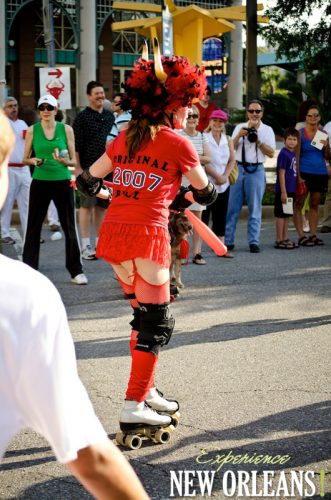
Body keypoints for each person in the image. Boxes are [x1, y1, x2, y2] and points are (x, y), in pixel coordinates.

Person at [0, 108, 148, 500]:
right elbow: (90, 455)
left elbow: (83, 171)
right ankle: (138, 398)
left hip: (84, 196)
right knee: (150, 315)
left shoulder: (75, 130)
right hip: (137, 238)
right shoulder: (21, 295)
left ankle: (142, 395)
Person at [76, 42, 216, 433]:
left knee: (142, 319)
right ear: (171, 106)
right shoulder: (177, 142)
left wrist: (114, 193)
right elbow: (206, 193)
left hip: (115, 237)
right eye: (187, 104)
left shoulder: (125, 139)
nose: (190, 111)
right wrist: (182, 196)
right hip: (148, 239)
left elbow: (87, 182)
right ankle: (134, 403)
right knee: (156, 323)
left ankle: (147, 390)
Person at [22, 95, 87, 285]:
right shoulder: (32, 130)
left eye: (49, 107)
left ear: (55, 110)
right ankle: (29, 269)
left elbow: (74, 161)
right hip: (40, 181)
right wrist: (33, 161)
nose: (45, 110)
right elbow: (26, 158)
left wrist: (64, 161)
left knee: (69, 227)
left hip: (62, 181)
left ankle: (76, 271)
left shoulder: (66, 129)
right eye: (41, 107)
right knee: (33, 228)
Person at [225, 99, 276, 253]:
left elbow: (272, 153)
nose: (254, 114)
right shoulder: (240, 127)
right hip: (239, 168)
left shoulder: (267, 130)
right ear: (247, 112)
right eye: (251, 111)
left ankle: (254, 241)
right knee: (232, 207)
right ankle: (228, 241)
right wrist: (238, 136)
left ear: (262, 113)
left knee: (255, 208)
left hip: (257, 170)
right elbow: (229, 149)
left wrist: (258, 141)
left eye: (257, 111)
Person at [73, 81, 114, 260]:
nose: (100, 96)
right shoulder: (82, 118)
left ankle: (100, 244)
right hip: (88, 170)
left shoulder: (110, 116)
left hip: (108, 170)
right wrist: (77, 167)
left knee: (101, 208)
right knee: (86, 207)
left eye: (101, 93)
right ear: (89, 96)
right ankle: (85, 245)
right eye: (96, 93)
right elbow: (75, 144)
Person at [177, 104, 211, 264]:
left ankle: (197, 253)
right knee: (181, 218)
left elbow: (208, 158)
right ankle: (182, 252)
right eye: (189, 116)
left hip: (198, 182)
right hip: (181, 182)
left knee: (198, 218)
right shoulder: (178, 134)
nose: (191, 119)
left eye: (194, 116)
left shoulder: (203, 136)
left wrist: (189, 157)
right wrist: (197, 157)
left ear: (198, 120)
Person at [293, 105, 330, 246]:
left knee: (314, 204)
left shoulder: (322, 133)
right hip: (304, 172)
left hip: (320, 172)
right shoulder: (300, 133)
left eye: (316, 115)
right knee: (299, 203)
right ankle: (301, 235)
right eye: (310, 115)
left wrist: (327, 146)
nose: (313, 118)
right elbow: (296, 155)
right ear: (306, 118)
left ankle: (313, 235)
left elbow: (326, 156)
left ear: (319, 118)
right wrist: (298, 175)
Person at [202, 109, 236, 258]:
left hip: (224, 183)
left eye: (221, 121)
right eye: (215, 120)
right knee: (204, 216)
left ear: (224, 124)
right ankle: (198, 250)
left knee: (220, 216)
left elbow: (232, 160)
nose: (217, 123)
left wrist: (225, 176)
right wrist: (216, 175)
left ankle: (221, 248)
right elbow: (204, 161)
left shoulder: (227, 139)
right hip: (207, 183)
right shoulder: (204, 138)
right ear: (210, 121)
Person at [1, 97, 31, 244]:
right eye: (10, 106)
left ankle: (29, 233)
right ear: (4, 109)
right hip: (9, 169)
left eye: (15, 105)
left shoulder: (23, 124)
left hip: (24, 168)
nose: (13, 108)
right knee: (7, 202)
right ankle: (4, 232)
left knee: (26, 203)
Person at [274, 128, 299, 249]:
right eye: (289, 139)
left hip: (291, 190)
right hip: (283, 190)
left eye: (294, 139)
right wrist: (283, 192)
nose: (292, 141)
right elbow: (281, 173)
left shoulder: (292, 153)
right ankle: (279, 240)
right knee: (280, 215)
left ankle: (285, 237)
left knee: (287, 214)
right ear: (284, 140)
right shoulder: (283, 153)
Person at [319, 120, 331, 233]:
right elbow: (317, 146)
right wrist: (326, 165)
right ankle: (327, 223)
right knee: (330, 195)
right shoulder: (327, 126)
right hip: (330, 161)